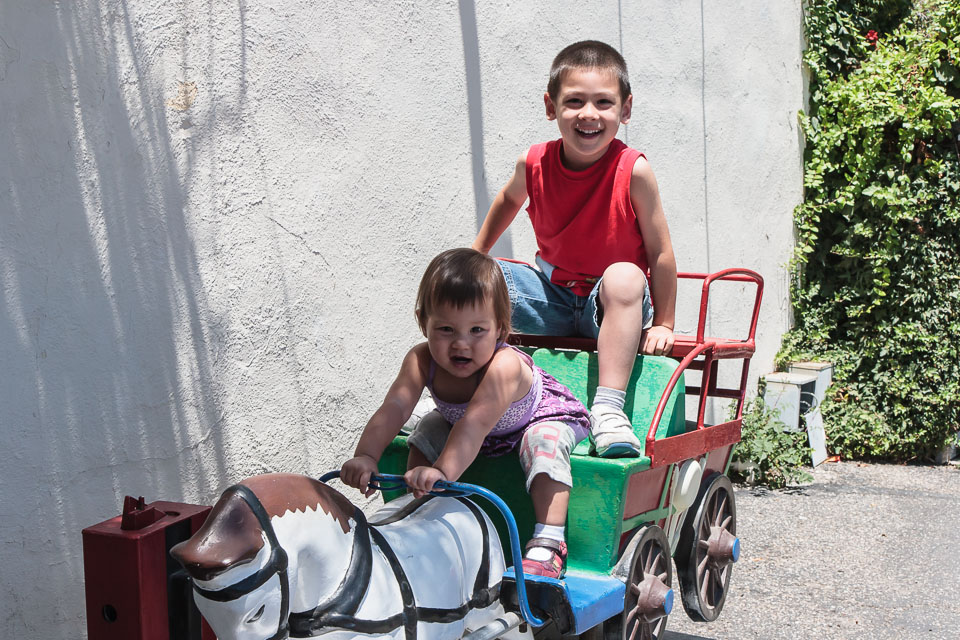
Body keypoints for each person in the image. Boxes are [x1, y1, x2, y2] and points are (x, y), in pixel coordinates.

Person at [472, 40, 677, 458]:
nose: (588, 114)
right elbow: (508, 200)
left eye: (604, 102)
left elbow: (660, 252)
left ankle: (608, 410)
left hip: (614, 307)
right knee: (478, 278)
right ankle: (456, 394)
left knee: (624, 276)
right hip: (554, 297)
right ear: (551, 107)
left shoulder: (633, 170)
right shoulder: (533, 163)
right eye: (574, 101)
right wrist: (475, 255)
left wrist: (665, 323)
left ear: (625, 109)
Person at [341, 248, 591, 578]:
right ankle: (420, 513)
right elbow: (395, 408)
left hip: (536, 417)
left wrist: (442, 470)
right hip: (474, 430)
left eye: (477, 330)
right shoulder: (421, 360)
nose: (461, 344)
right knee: (427, 428)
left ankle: (549, 540)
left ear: (500, 329)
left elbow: (474, 423)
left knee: (544, 440)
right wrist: (366, 456)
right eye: (446, 329)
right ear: (423, 322)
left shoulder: (504, 366)